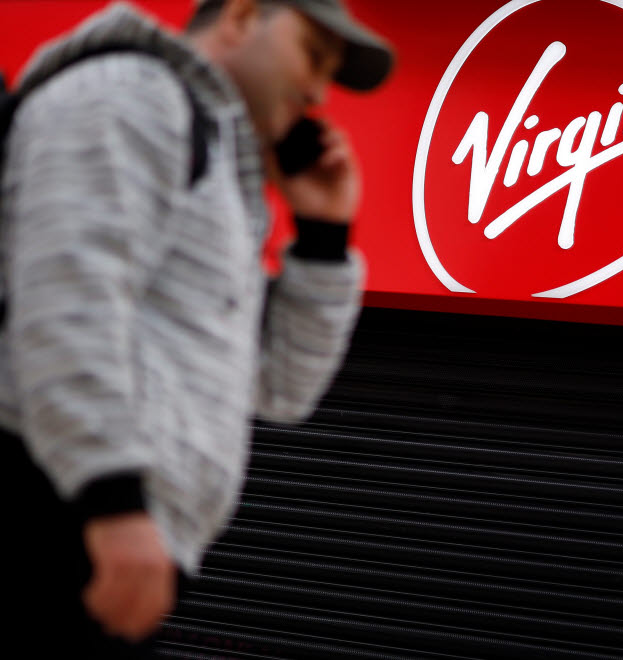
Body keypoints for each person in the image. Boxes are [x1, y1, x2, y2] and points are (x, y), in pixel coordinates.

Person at [0, 0, 392, 655]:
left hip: (115, 524)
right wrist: (113, 501)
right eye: (312, 55)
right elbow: (67, 300)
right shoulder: (132, 93)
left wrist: (323, 235)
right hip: (60, 503)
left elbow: (280, 392)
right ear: (240, 17)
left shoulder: (219, 165)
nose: (320, 91)